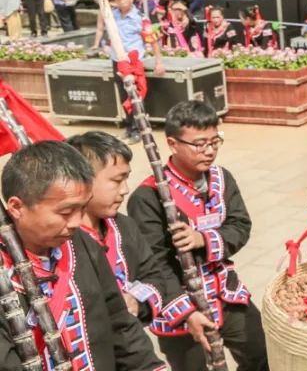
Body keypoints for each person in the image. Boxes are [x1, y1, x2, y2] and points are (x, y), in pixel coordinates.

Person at [0, 141, 166, 370]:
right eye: (66, 212)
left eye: (82, 209)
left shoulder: (82, 245)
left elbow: (120, 325)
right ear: (17, 207)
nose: (77, 222)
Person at [127, 101, 268, 370]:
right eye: (200, 144)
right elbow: (153, 265)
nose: (210, 151)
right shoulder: (148, 197)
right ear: (173, 143)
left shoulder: (222, 178)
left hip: (224, 291)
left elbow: (240, 225)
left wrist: (203, 240)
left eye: (215, 142)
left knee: (262, 353)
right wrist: (187, 313)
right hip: (179, 303)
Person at [66, 131, 216, 337]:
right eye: (117, 180)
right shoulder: (62, 242)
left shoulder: (125, 227)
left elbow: (153, 276)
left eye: (126, 179)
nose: (125, 190)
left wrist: (136, 301)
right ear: (81, 181)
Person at [93, 0, 166, 144]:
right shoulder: (112, 16)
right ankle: (129, 126)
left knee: (135, 95)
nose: (122, 1)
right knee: (123, 95)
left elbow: (153, 41)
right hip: (117, 60)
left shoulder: (141, 18)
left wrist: (158, 62)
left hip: (133, 63)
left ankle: (137, 130)